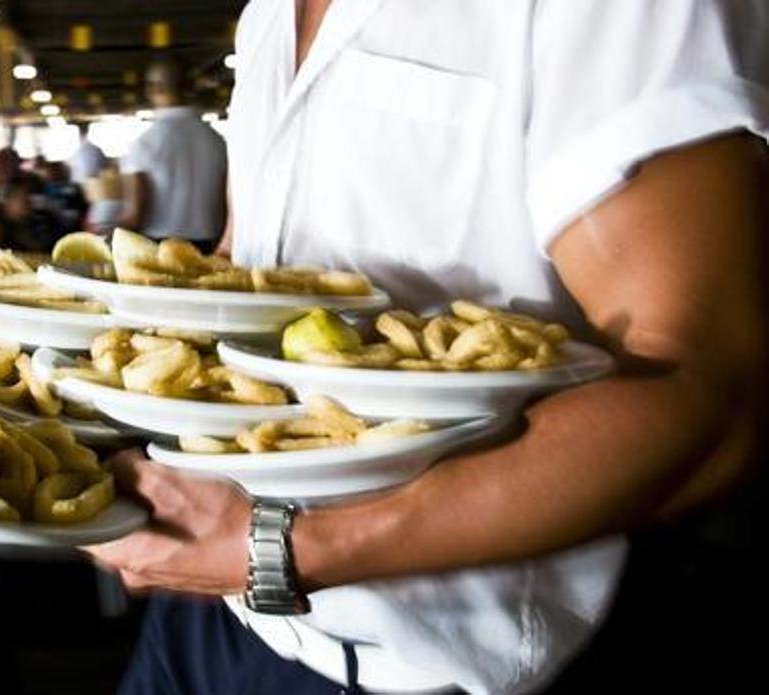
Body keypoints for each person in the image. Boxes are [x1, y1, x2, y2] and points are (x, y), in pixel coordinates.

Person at [90, 2, 768, 694]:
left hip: (428, 661)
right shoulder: (265, 17)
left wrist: (279, 548)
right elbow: (246, 261)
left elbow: (704, 393)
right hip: (212, 610)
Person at [119, 58, 227, 250]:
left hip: (157, 245)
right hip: (209, 245)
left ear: (153, 88)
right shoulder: (217, 141)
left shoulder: (143, 142)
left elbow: (134, 214)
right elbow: (225, 203)